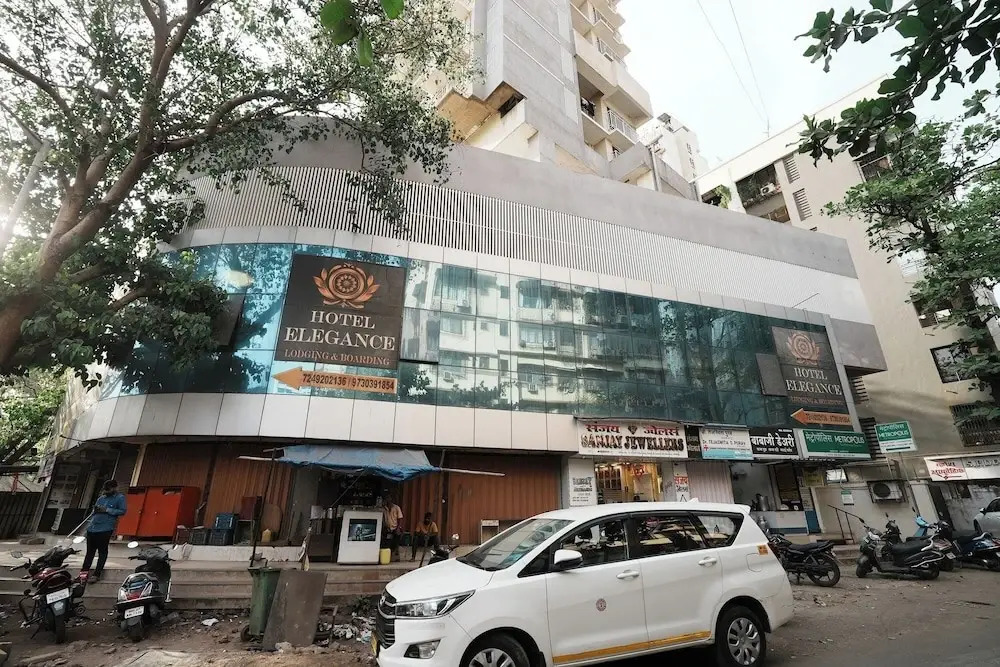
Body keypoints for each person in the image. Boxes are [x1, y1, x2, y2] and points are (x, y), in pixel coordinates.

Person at [81, 480, 127, 581]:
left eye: (109, 489)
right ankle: (83, 574)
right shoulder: (101, 498)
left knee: (102, 552)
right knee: (89, 552)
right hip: (92, 528)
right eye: (105, 490)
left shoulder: (119, 498)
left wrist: (107, 510)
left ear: (115, 488)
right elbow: (93, 513)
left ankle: (97, 574)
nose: (106, 492)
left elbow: (122, 511)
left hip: (105, 529)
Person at [382, 494, 403, 561]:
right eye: (386, 498)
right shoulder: (384, 508)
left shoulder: (396, 508)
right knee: (385, 540)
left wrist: (398, 528)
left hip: (395, 527)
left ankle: (394, 554)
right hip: (388, 528)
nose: (388, 500)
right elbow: (383, 519)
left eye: (389, 498)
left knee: (396, 539)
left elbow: (400, 518)